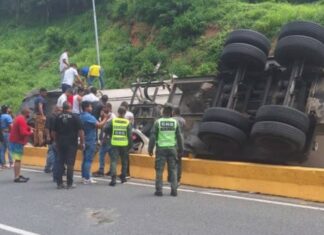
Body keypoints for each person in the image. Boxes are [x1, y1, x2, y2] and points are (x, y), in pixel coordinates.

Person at [148, 104, 184, 197]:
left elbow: (152, 137)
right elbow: (179, 137)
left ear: (163, 111)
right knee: (173, 169)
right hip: (172, 149)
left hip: (161, 149)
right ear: (171, 112)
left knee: (159, 170)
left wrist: (150, 148)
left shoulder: (158, 122)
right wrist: (181, 149)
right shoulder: (175, 123)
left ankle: (159, 190)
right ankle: (174, 190)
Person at [52, 102, 84, 189]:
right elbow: (80, 131)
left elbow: (53, 131)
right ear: (70, 107)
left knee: (60, 162)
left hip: (60, 143)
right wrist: (82, 142)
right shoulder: (75, 117)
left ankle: (59, 183)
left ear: (63, 108)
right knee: (70, 163)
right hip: (71, 143)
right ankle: (70, 183)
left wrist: (55, 141)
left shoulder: (58, 117)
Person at [80, 101, 108, 184]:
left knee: (85, 159)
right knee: (88, 160)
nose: (91, 108)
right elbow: (99, 125)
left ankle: (84, 177)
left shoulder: (81, 116)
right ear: (86, 108)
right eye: (90, 106)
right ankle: (87, 178)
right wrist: (106, 118)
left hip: (84, 139)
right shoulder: (89, 117)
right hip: (90, 139)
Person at [104, 106, 132, 186]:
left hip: (114, 143)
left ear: (118, 112)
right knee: (124, 161)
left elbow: (106, 128)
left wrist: (111, 133)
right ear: (125, 112)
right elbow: (130, 135)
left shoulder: (113, 121)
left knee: (113, 161)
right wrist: (130, 145)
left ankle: (113, 179)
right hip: (124, 144)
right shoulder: (127, 122)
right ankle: (123, 178)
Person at [9, 108, 33, 183]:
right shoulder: (21, 120)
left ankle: (18, 175)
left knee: (18, 159)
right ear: (26, 113)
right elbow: (23, 133)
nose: (29, 115)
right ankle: (16, 177)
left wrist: (29, 128)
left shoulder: (19, 118)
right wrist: (31, 132)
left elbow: (23, 127)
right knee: (17, 159)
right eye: (29, 113)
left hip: (15, 141)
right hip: (17, 142)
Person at [93, 103, 116, 177]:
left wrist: (103, 139)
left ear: (109, 108)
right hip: (107, 139)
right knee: (109, 155)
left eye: (105, 108)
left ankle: (101, 170)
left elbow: (106, 128)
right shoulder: (106, 116)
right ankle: (110, 171)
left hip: (108, 139)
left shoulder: (111, 117)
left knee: (102, 154)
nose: (103, 109)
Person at [44, 106, 60, 180]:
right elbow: (47, 127)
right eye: (59, 110)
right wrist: (48, 136)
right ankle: (50, 167)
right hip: (51, 137)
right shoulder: (50, 117)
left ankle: (48, 167)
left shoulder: (57, 117)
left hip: (54, 137)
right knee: (51, 152)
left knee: (51, 152)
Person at [171, 107, 186, 184]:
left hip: (173, 142)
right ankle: (178, 179)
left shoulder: (172, 120)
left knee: (172, 161)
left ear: (174, 112)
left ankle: (172, 178)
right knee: (179, 161)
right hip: (181, 142)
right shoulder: (183, 120)